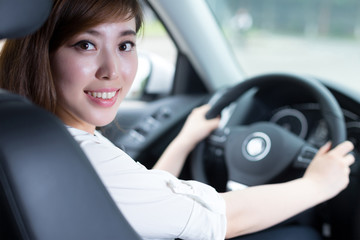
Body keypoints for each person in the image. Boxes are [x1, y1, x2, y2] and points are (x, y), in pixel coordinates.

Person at [0, 0, 354, 239]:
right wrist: (318, 185)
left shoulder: (29, 138)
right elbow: (220, 218)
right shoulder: (76, 156)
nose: (113, 71)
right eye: (85, 45)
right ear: (39, 55)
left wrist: (184, 140)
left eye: (125, 45)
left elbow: (146, 198)